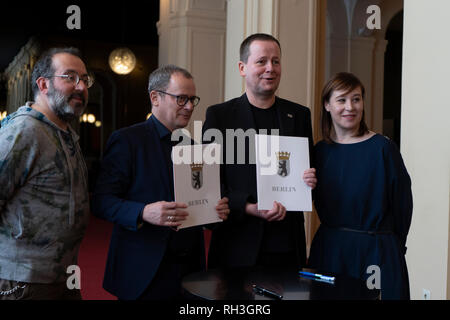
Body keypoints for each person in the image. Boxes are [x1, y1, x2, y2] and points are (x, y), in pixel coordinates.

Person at [92, 65, 230, 300]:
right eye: (181, 99)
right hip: (142, 271)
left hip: (190, 272)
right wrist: (143, 212)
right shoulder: (127, 141)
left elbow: (206, 211)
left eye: (192, 99)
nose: (189, 107)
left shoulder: (196, 149)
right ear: (155, 97)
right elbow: (101, 201)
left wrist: (218, 212)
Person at [203, 33, 317, 270]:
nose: (270, 68)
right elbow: (209, 182)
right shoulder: (219, 116)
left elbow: (310, 173)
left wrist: (310, 179)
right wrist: (247, 207)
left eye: (276, 61)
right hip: (236, 243)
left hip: (286, 244)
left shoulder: (299, 115)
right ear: (242, 67)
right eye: (261, 61)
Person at [307, 72, 413, 300]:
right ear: (327, 105)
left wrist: (392, 249)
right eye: (342, 100)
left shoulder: (383, 149)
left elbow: (403, 206)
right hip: (330, 251)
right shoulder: (319, 152)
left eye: (356, 99)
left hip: (376, 251)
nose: (350, 107)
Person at [0, 47, 92, 300]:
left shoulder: (65, 132)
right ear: (43, 84)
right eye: (70, 77)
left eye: (84, 79)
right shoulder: (23, 131)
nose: (81, 87)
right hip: (24, 281)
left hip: (63, 275)